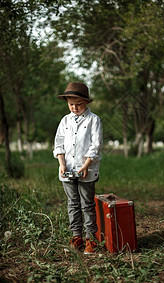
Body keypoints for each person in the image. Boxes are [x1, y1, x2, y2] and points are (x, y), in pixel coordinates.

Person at [53, 82, 103, 254]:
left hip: (85, 170)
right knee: (72, 204)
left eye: (78, 104)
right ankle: (76, 237)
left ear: (86, 102)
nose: (74, 107)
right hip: (67, 170)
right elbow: (58, 144)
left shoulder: (93, 120)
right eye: (71, 104)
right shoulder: (65, 121)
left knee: (87, 204)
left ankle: (91, 238)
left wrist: (86, 165)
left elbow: (95, 146)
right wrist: (61, 164)